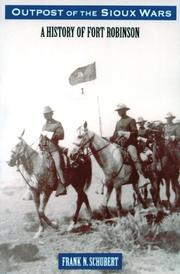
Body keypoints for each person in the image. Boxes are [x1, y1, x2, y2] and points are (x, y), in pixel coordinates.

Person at [41, 106, 67, 196]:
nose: (46, 116)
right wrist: (41, 143)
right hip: (45, 150)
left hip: (54, 149)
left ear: (51, 114)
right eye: (45, 114)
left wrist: (51, 135)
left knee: (58, 165)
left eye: (47, 114)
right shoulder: (44, 126)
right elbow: (42, 138)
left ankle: (62, 186)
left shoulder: (57, 124)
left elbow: (62, 135)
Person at [112, 103, 143, 176]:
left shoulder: (131, 120)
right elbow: (114, 135)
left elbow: (135, 133)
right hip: (119, 145)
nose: (119, 112)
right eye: (118, 111)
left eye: (120, 110)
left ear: (125, 110)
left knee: (134, 155)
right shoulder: (118, 122)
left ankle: (141, 177)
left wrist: (124, 133)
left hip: (130, 144)